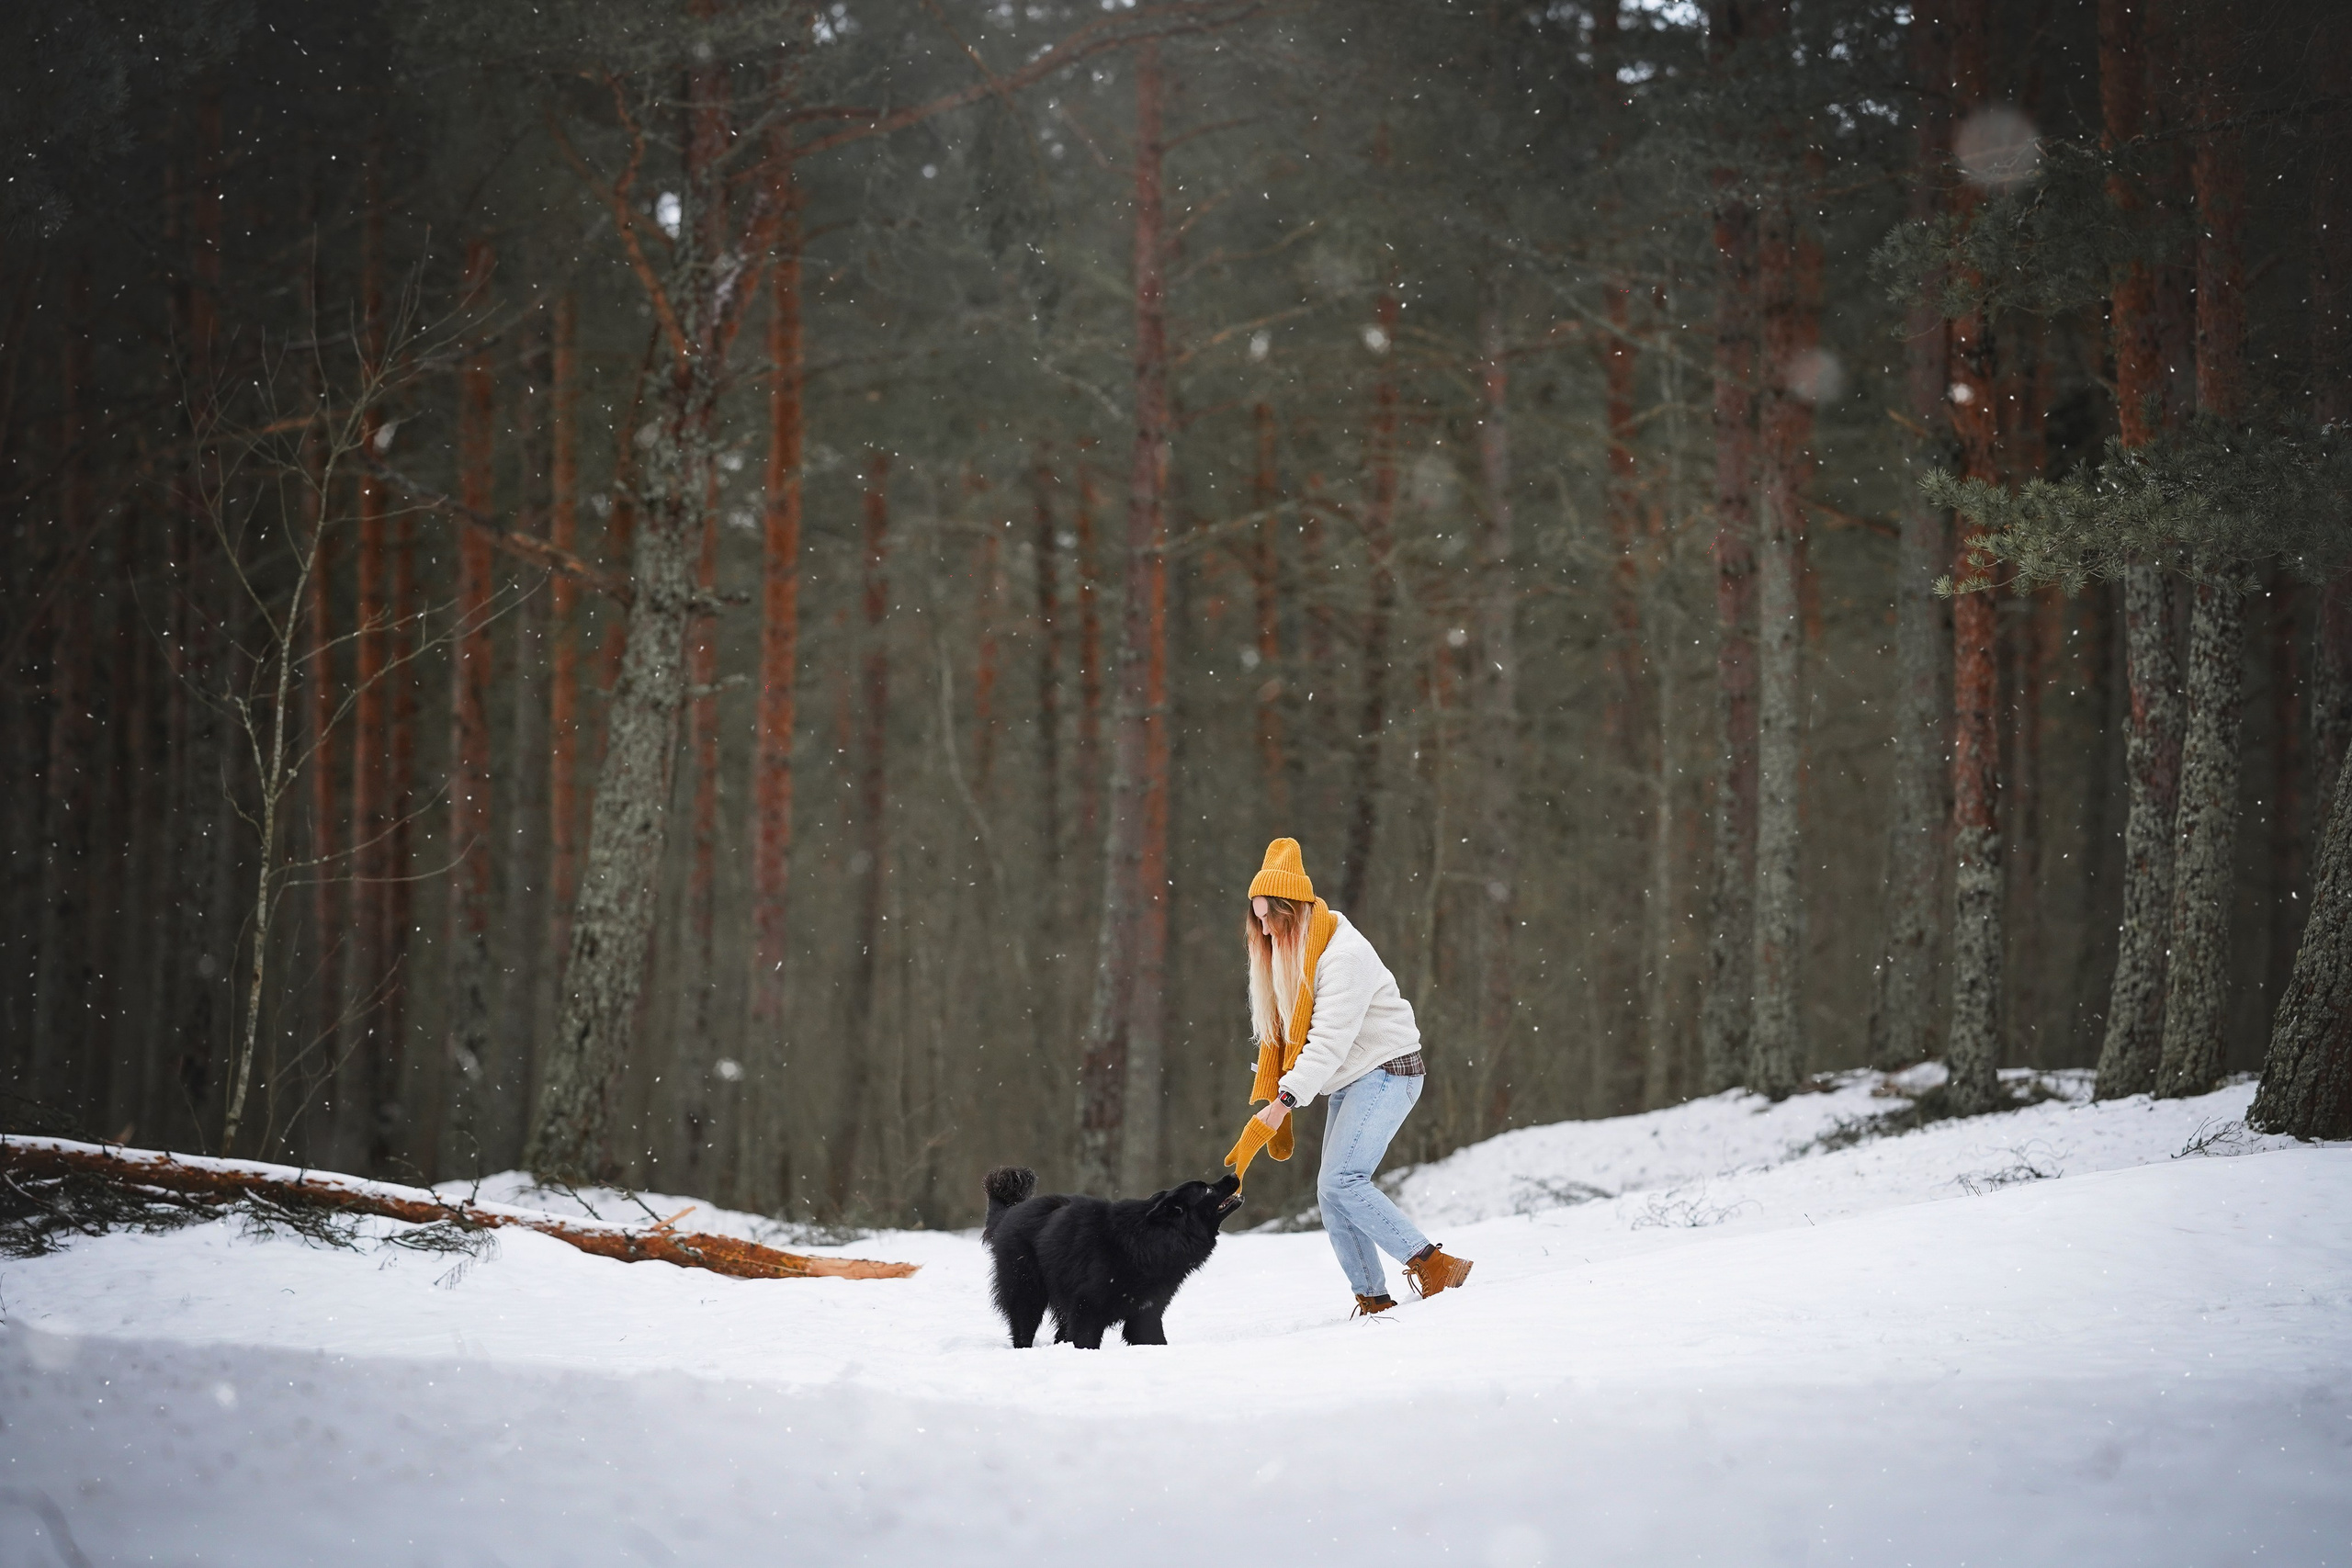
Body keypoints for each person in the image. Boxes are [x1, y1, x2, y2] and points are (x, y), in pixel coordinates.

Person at [1236, 837, 1473, 1316]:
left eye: (1270, 918)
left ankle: (1434, 1265)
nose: (1263, 929)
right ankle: (1373, 1298)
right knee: (1331, 1190)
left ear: (1293, 910)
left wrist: (1284, 1101)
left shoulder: (1343, 956)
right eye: (1256, 918)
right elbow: (1294, 1037)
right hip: (1353, 1076)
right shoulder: (1294, 956)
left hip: (1389, 1071)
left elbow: (1327, 1042)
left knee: (1343, 1179)